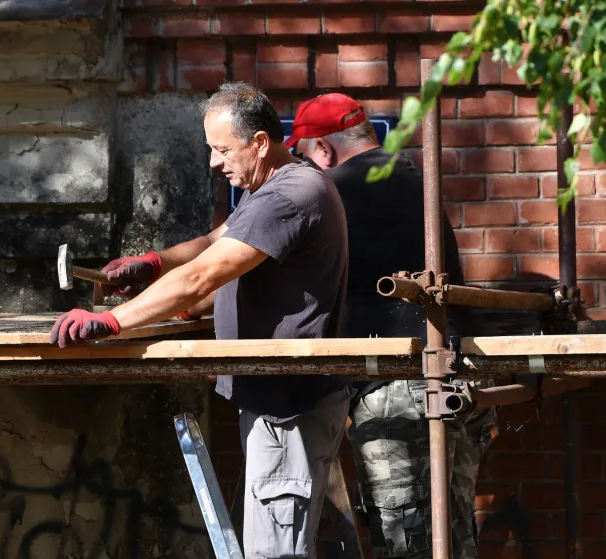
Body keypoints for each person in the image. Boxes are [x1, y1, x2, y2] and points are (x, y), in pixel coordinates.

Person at [49, 81, 352, 559]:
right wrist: (152, 264)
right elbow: (215, 242)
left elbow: (201, 276)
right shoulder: (276, 185)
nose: (214, 162)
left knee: (275, 553)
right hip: (282, 403)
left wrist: (111, 322)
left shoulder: (289, 195)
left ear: (259, 142)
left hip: (288, 409)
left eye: (222, 149)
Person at [284, 93, 497, 559]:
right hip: (458, 374)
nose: (306, 170)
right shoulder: (414, 177)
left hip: (400, 387)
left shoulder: (331, 190)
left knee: (408, 545)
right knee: (453, 537)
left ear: (323, 149)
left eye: (304, 158)